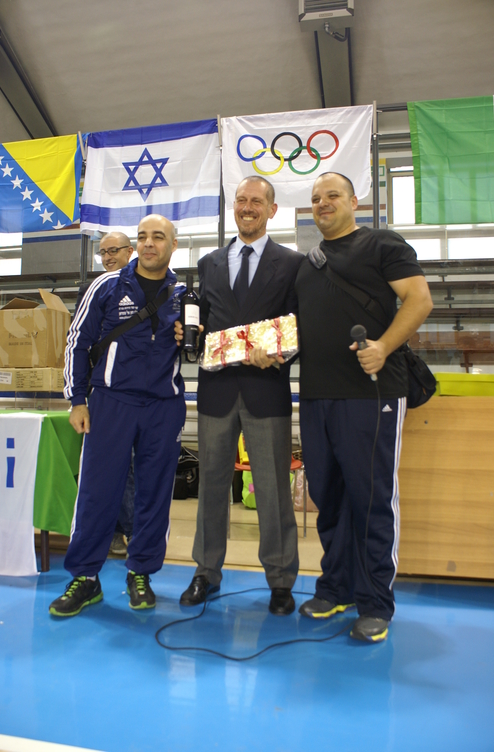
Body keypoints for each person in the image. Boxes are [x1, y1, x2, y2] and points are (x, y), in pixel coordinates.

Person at [295, 171, 433, 642]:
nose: (323, 203)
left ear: (354, 201)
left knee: (371, 500)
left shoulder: (382, 245)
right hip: (316, 396)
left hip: (372, 395)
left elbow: (419, 299)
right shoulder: (306, 265)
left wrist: (385, 346)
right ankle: (336, 587)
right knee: (329, 499)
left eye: (333, 195)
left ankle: (375, 602)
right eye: (316, 198)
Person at [49, 214, 186, 616]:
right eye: (142, 237)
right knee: (98, 490)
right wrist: (77, 399)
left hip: (164, 406)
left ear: (173, 245)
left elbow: (202, 345)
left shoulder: (184, 295)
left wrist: (190, 337)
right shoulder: (106, 286)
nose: (148, 243)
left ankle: (140, 572)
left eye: (157, 237)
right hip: (111, 403)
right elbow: (77, 342)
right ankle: (85, 577)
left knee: (154, 494)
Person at [178, 176, 303, 616]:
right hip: (216, 390)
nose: (247, 207)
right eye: (241, 200)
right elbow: (205, 323)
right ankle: (206, 572)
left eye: (256, 201)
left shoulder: (292, 263)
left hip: (266, 389)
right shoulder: (209, 262)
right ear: (234, 207)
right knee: (211, 487)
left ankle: (281, 580)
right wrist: (188, 334)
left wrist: (283, 352)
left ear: (272, 210)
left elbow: (299, 325)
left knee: (272, 489)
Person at [76, 231, 135, 557]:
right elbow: (79, 343)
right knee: (110, 467)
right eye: (103, 253)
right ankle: (119, 530)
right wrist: (78, 398)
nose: (108, 257)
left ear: (130, 251)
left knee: (132, 465)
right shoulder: (93, 289)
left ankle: (131, 530)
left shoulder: (148, 287)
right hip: (101, 392)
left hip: (140, 394)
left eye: (114, 250)